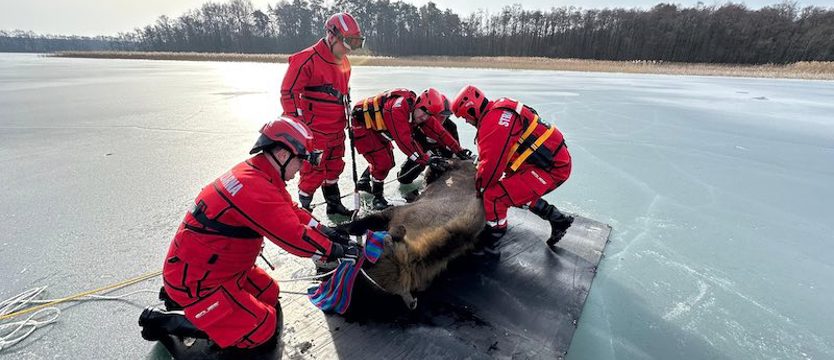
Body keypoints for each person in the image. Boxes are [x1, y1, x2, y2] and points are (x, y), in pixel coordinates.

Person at [139, 116, 360, 353]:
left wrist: (327, 231)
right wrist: (335, 250)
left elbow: (292, 212)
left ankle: (204, 309)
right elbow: (294, 236)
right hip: (198, 281)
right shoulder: (253, 187)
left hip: (223, 270)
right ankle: (164, 320)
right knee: (261, 328)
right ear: (283, 155)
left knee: (269, 292)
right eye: (301, 160)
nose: (302, 168)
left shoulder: (259, 173)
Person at [450, 85, 574, 251]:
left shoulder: (493, 123)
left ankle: (493, 237)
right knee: (513, 190)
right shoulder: (499, 109)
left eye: (466, 117)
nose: (467, 121)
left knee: (495, 196)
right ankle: (558, 219)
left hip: (552, 169)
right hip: (546, 162)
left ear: (471, 110)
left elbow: (491, 171)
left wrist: (479, 190)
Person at [280, 12, 364, 216]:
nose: (349, 50)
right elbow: (288, 93)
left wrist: (349, 121)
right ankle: (304, 210)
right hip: (315, 131)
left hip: (337, 129)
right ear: (332, 35)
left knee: (335, 166)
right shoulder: (306, 59)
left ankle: (333, 205)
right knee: (312, 172)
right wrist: (298, 127)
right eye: (347, 43)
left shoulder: (344, 62)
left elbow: (343, 94)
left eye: (354, 44)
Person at [350, 88, 472, 209]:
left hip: (378, 128)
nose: (424, 118)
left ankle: (367, 183)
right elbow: (404, 142)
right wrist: (427, 160)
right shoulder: (397, 110)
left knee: (388, 162)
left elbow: (440, 133)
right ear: (418, 104)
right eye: (424, 113)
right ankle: (377, 197)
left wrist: (458, 150)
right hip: (363, 125)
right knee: (383, 162)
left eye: (428, 115)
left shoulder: (421, 111)